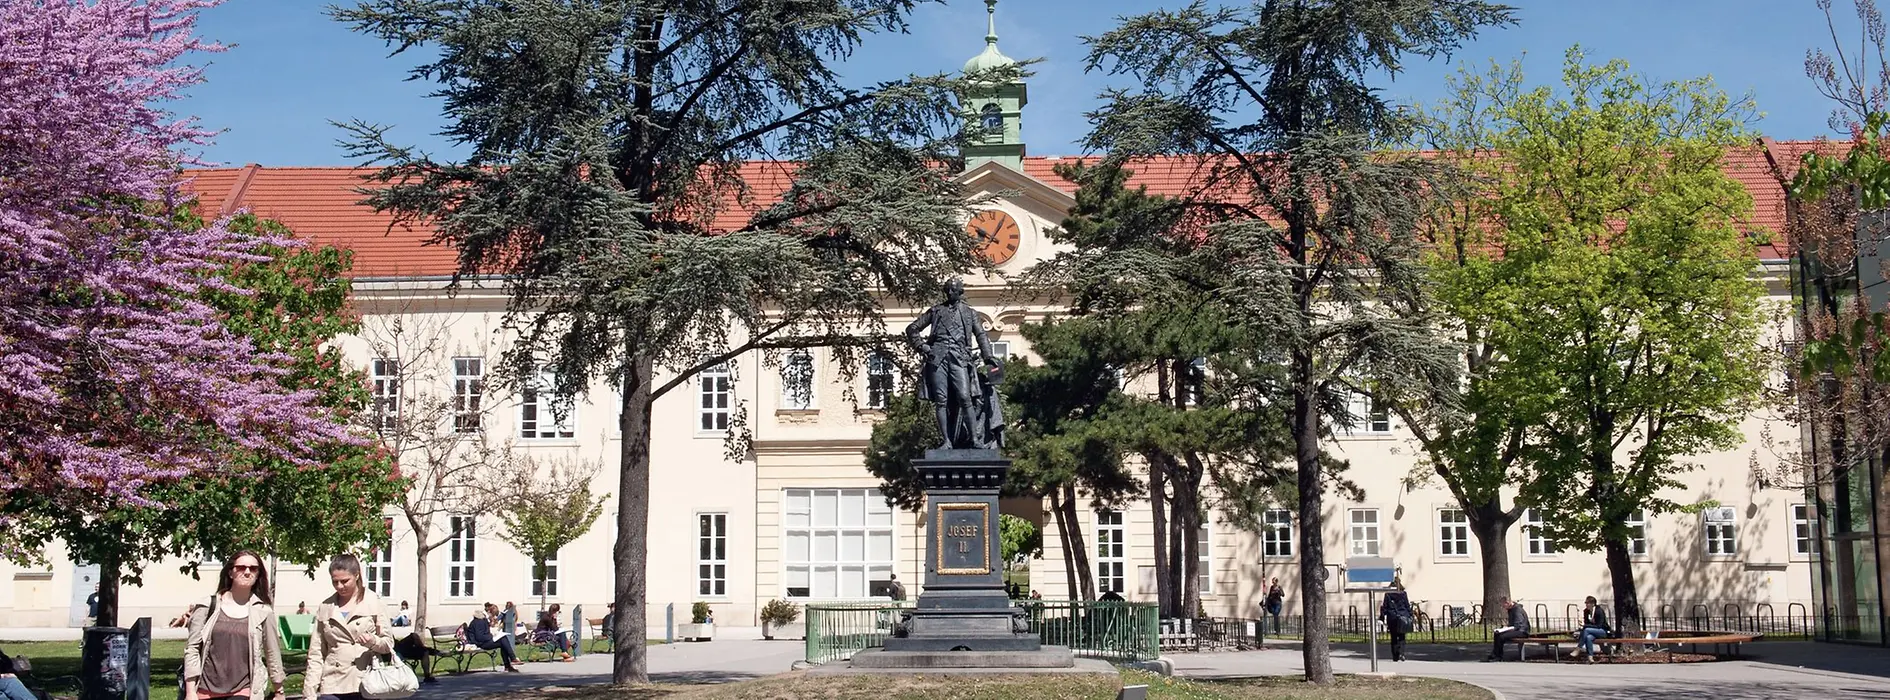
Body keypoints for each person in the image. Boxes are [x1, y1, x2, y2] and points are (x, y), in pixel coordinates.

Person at [906, 279, 1003, 449]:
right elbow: (912, 328)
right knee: (941, 401)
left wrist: (988, 356)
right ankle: (947, 441)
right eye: (947, 290)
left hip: (960, 359)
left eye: (953, 290)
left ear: (960, 292)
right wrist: (922, 346)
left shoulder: (969, 313)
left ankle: (975, 440)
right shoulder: (936, 311)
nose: (949, 293)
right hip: (938, 359)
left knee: (965, 398)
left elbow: (981, 334)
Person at [182, 551, 287, 700]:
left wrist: (279, 691)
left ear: (258, 575)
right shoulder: (207, 606)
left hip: (243, 691)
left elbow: (272, 653)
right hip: (204, 690)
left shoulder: (263, 612)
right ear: (230, 573)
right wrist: (190, 692)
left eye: (253, 568)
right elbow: (192, 649)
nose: (247, 572)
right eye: (241, 567)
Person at [304, 554, 399, 700]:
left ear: (356, 575)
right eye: (335, 582)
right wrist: (309, 691)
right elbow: (316, 653)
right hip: (332, 682)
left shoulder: (374, 602)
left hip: (366, 682)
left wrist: (373, 641)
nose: (339, 586)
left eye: (344, 581)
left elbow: (388, 644)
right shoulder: (325, 607)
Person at [466, 603, 521, 672]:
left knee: (503, 641)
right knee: (503, 640)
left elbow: (484, 633)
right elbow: (480, 637)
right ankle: (511, 660)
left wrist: (493, 634)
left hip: (483, 642)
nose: (494, 617)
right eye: (493, 615)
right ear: (489, 612)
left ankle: (509, 664)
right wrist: (491, 636)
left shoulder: (482, 620)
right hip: (480, 643)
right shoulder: (479, 622)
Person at [1378, 577, 1414, 662]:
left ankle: (1395, 656)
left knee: (1394, 637)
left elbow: (1385, 607)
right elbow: (1407, 605)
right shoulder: (1403, 593)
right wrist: (1410, 615)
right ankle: (1402, 653)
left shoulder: (1388, 594)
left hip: (1392, 618)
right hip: (1402, 617)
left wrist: (1382, 617)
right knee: (1402, 636)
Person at [1486, 596, 1531, 662]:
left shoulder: (1517, 610)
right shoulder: (1511, 610)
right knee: (1497, 634)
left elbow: (1517, 625)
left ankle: (1498, 656)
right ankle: (1495, 654)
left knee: (1501, 637)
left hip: (1522, 631)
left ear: (1507, 603)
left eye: (1504, 606)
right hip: (1517, 630)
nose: (1503, 608)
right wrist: (1504, 628)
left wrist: (1505, 629)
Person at [1575, 596, 1612, 661]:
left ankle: (1578, 648)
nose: (1586, 604)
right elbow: (1587, 623)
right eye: (1585, 603)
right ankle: (1590, 657)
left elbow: (1599, 625)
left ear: (1593, 604)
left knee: (1587, 630)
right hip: (1591, 632)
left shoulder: (1599, 611)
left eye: (1587, 603)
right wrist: (1584, 626)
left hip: (1602, 631)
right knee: (1588, 637)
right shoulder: (1586, 611)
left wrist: (1585, 626)